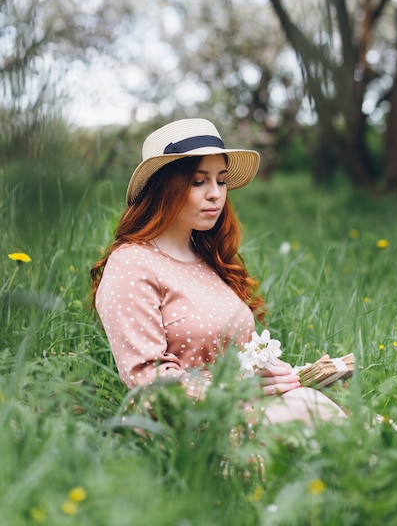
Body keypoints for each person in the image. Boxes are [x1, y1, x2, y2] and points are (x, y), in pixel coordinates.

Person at [90, 118, 346, 426]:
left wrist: (277, 374)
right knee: (312, 412)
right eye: (199, 182)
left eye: (221, 181)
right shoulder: (131, 264)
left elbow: (235, 359)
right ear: (163, 188)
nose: (215, 194)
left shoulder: (209, 260)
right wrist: (236, 390)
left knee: (321, 407)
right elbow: (148, 380)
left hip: (245, 408)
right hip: (190, 427)